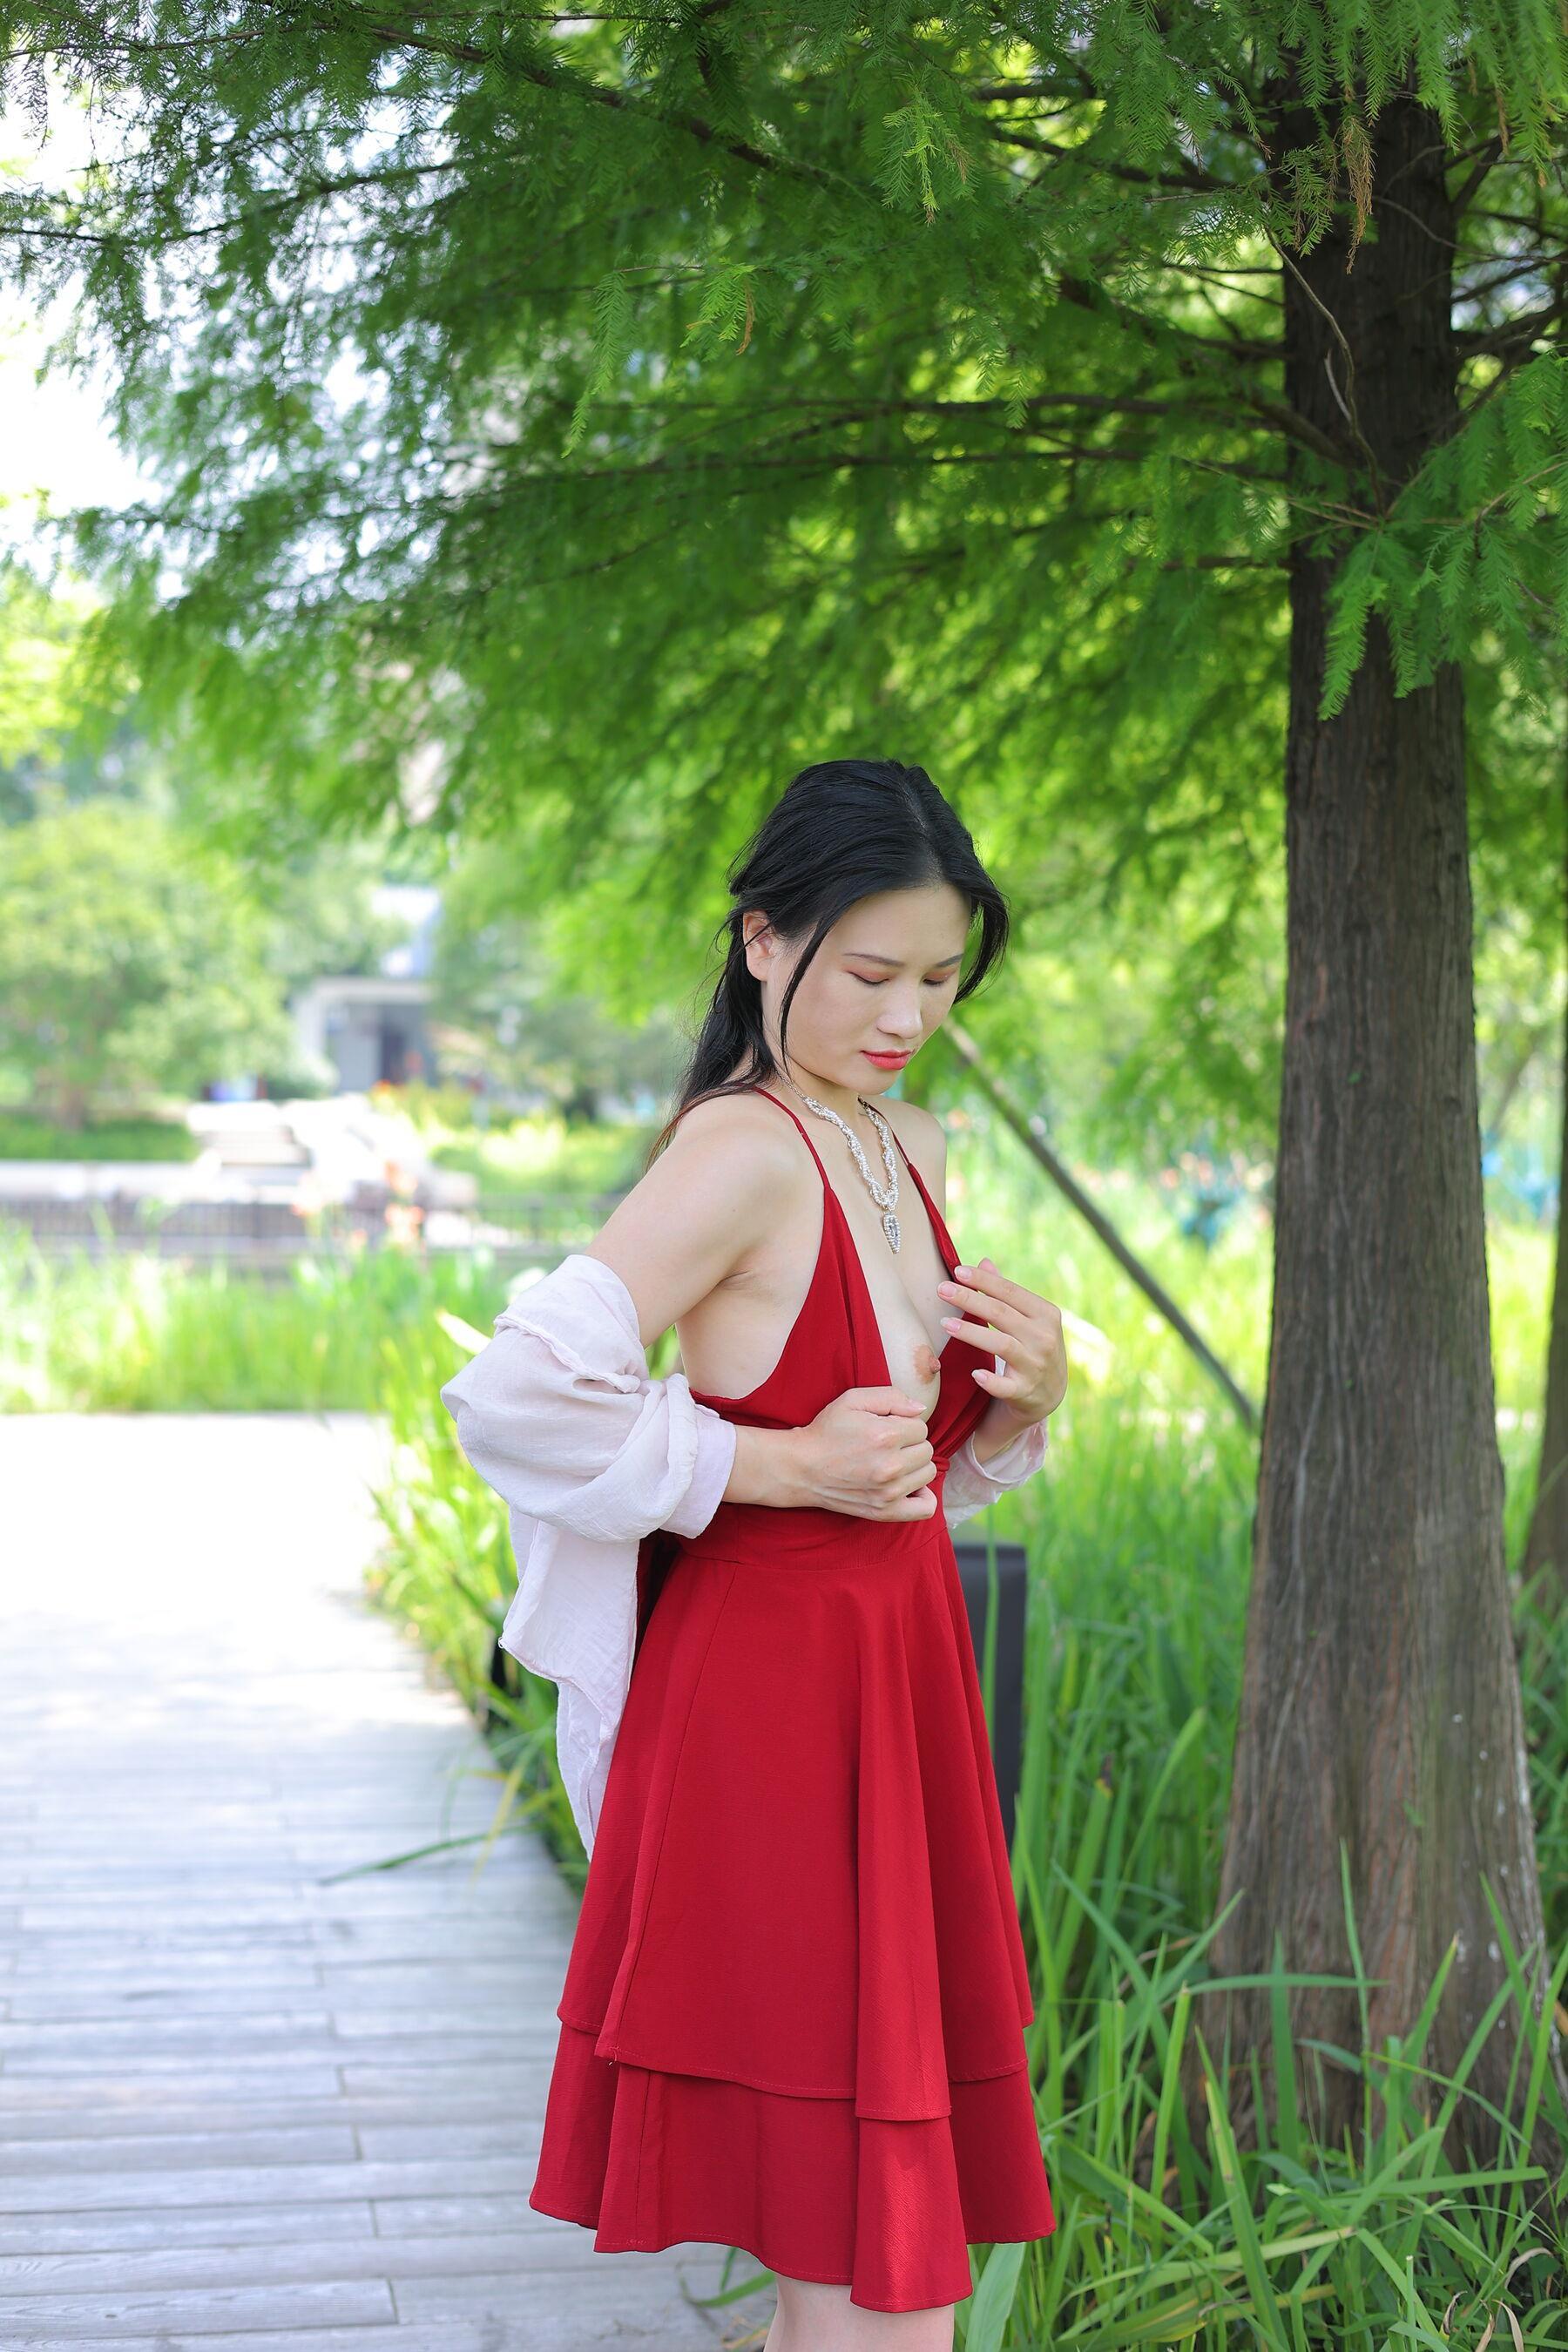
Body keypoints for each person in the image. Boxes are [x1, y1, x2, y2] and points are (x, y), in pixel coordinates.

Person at [443, 760, 1069, 2350]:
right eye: (870, 973)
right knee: (873, 2277)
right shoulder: (743, 1150)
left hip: (897, 1687)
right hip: (770, 1719)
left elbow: (904, 1475)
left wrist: (1023, 1399)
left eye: (941, 978)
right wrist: (772, 1464)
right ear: (764, 941)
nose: (907, 1015)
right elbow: (513, 1398)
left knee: (858, 2268)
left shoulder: (906, 1141)